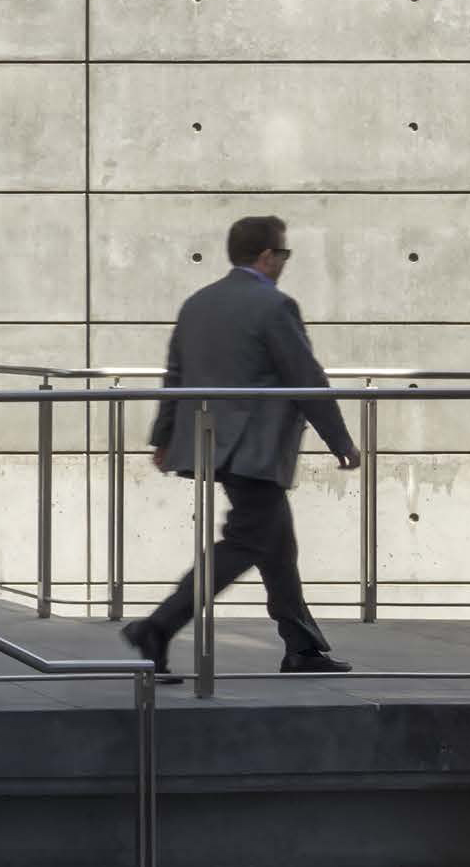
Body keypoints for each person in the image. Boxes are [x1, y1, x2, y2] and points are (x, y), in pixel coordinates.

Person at [123, 214, 362, 679]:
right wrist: (341, 442)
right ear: (267, 256)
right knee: (246, 543)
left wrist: (165, 436)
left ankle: (302, 648)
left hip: (214, 444)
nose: (285, 264)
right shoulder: (274, 307)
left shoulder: (198, 303)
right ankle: (158, 626)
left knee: (277, 544)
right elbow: (305, 378)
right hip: (253, 448)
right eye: (284, 255)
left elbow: (175, 375)